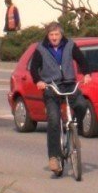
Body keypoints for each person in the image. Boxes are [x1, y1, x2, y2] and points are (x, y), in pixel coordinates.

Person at [27, 22, 87, 176]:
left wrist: (87, 74)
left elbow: (81, 60)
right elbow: (34, 68)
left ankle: (74, 126)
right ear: (48, 36)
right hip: (51, 87)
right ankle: (54, 157)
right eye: (51, 35)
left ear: (61, 35)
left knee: (81, 105)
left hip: (69, 84)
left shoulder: (69, 45)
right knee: (53, 119)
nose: (54, 38)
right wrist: (38, 81)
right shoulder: (41, 49)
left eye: (57, 35)